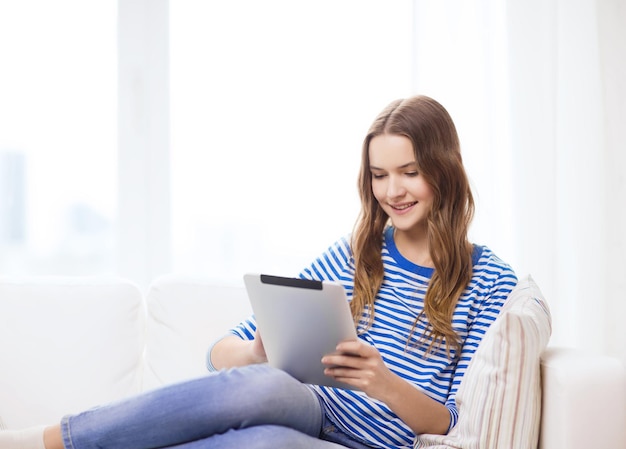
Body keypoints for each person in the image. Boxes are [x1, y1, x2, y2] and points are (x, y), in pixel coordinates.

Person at [1, 95, 517, 449]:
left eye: (410, 173)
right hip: (313, 411)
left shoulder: (490, 281)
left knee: (258, 442)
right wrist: (255, 353)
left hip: (372, 441)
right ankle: (49, 441)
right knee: (261, 386)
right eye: (379, 176)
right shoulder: (358, 254)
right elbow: (219, 354)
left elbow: (455, 423)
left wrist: (383, 383)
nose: (392, 192)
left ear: (444, 170)